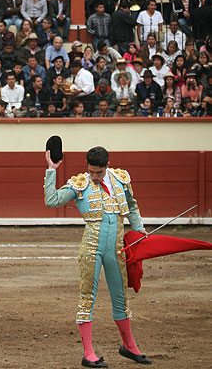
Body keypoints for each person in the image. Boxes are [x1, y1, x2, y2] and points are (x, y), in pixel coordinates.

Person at [45, 146, 150, 368]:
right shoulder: (79, 183)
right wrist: (51, 170)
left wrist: (139, 228)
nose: (93, 177)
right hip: (92, 248)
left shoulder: (121, 180)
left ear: (107, 166)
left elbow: (131, 205)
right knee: (87, 298)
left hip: (116, 250)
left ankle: (129, 347)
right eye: (91, 171)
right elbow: (52, 200)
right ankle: (88, 353)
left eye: (98, 173)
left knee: (120, 297)